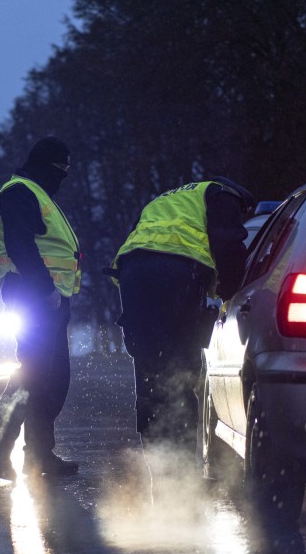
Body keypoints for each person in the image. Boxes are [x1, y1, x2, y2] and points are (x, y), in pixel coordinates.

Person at [109, 177, 254, 454]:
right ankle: (182, 460)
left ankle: (158, 460)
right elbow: (229, 246)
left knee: (149, 368)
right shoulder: (223, 195)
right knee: (181, 366)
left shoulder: (166, 199)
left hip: (133, 273)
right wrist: (229, 291)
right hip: (175, 272)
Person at [0, 136, 82, 481]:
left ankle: (39, 456)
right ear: (45, 166)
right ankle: (0, 448)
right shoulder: (20, 192)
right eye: (60, 170)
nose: (63, 177)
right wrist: (44, 289)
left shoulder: (38, 193)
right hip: (34, 294)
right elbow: (20, 245)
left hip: (49, 296)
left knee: (52, 378)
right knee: (35, 375)